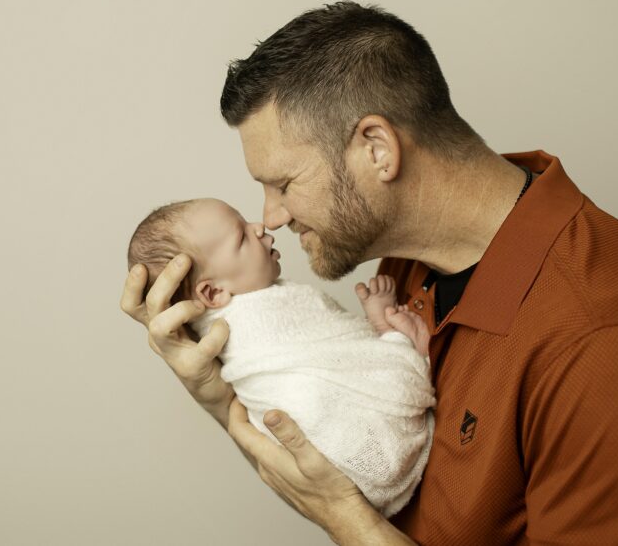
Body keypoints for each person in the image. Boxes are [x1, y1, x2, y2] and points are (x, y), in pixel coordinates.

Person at [119, 2, 618, 545]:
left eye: (283, 184)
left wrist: (343, 517)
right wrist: (220, 396)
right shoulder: (405, 267)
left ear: (377, 148)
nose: (271, 216)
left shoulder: (617, 349)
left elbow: (348, 504)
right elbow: (351, 459)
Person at [126, 196, 435, 517]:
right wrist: (392, 340)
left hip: (363, 488)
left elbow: (333, 351)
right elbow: (310, 383)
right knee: (313, 397)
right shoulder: (248, 331)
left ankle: (391, 343)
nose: (260, 227)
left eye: (246, 222)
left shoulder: (272, 300)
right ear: (213, 293)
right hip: (367, 455)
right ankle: (398, 343)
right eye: (242, 236)